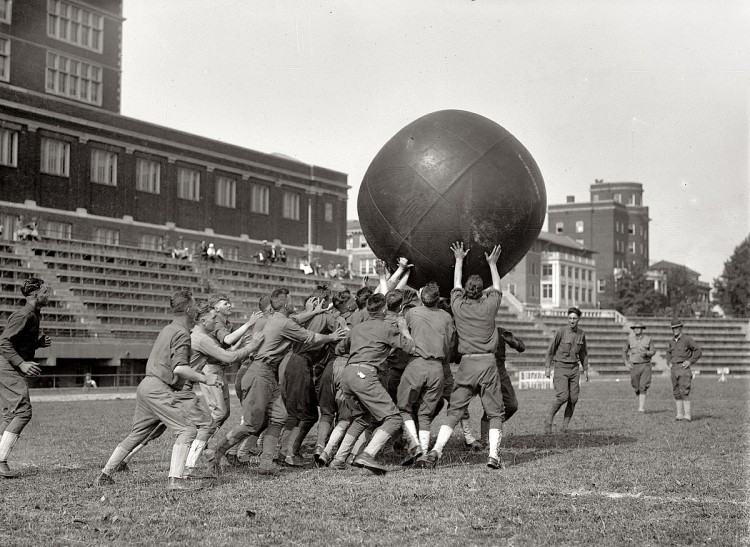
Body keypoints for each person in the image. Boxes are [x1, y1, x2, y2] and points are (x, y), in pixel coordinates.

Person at [95, 289, 223, 491]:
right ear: (189, 309)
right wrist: (206, 378)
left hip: (146, 386)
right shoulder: (182, 333)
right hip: (159, 388)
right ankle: (176, 480)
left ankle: (105, 475)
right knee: (187, 430)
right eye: (196, 304)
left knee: (138, 434)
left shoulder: (168, 329)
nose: (198, 307)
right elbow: (180, 368)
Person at [211, 288, 346, 476]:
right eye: (291, 301)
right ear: (284, 304)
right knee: (251, 424)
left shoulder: (275, 319)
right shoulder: (283, 323)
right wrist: (332, 337)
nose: (294, 305)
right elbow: (310, 337)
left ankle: (266, 463)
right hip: (259, 373)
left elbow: (297, 319)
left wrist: (314, 312)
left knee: (279, 417)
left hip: (265, 373)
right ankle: (217, 453)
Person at [417, 241, 505, 470]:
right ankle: (493, 456)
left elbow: (455, 283)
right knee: (495, 412)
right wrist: (493, 264)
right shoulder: (490, 305)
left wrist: (458, 259)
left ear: (466, 290)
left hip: (467, 364)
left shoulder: (457, 306)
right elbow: (497, 286)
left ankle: (436, 450)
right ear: (483, 291)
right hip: (487, 363)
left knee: (455, 410)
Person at [329, 293, 416, 474]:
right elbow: (410, 348)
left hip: (347, 374)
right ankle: (367, 454)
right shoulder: (386, 328)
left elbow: (339, 348)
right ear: (384, 309)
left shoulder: (357, 328)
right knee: (393, 418)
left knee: (362, 418)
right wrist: (404, 328)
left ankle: (338, 459)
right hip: (365, 374)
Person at [183, 302, 264, 477]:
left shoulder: (204, 334)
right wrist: (252, 343)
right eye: (213, 317)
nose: (215, 321)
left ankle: (111, 467)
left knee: (149, 429)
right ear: (204, 320)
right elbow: (228, 355)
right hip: (181, 386)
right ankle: (189, 466)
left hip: (188, 381)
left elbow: (226, 353)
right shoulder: (203, 337)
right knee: (208, 422)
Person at [397, 281, 456, 464]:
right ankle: (423, 452)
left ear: (421, 298)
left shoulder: (412, 313)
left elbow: (400, 328)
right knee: (425, 414)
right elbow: (451, 345)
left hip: (417, 364)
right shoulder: (446, 317)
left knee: (403, 407)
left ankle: (414, 447)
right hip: (438, 367)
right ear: (438, 300)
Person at [0, 278, 51, 478]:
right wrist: (21, 363)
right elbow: (3, 342)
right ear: (35, 294)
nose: (48, 295)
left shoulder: (34, 314)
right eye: (45, 292)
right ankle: (1, 460)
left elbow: (17, 342)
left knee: (10, 414)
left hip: (7, 365)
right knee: (23, 412)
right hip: (6, 365)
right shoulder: (24, 314)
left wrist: (37, 343)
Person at [544, 307, 589, 434]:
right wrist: (547, 367)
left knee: (573, 399)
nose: (572, 321)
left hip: (574, 369)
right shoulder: (561, 331)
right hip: (561, 367)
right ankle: (548, 419)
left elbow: (583, 352)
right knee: (563, 396)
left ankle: (564, 427)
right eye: (570, 318)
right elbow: (551, 349)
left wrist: (585, 369)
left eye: (574, 318)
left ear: (579, 319)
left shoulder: (582, 334)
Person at [666, 319, 702, 421]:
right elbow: (668, 352)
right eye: (673, 328)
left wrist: (690, 361)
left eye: (677, 327)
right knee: (676, 392)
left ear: (681, 328)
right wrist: (668, 362)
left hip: (683, 368)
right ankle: (679, 414)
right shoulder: (671, 341)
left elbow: (698, 350)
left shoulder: (687, 339)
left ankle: (687, 415)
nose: (675, 330)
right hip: (674, 368)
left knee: (684, 391)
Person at [623, 322, 655, 412]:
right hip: (634, 366)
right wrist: (626, 362)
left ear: (642, 329)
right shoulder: (629, 339)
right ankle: (638, 392)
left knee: (643, 386)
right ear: (633, 330)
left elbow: (653, 351)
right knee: (635, 385)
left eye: (639, 328)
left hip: (646, 365)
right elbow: (624, 351)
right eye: (635, 328)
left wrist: (647, 353)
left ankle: (641, 407)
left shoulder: (648, 339)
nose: (637, 330)